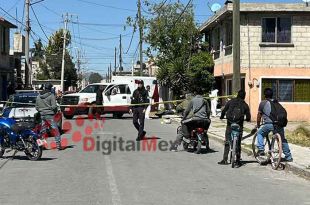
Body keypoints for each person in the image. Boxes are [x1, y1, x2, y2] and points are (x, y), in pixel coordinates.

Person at [256, 88, 293, 162]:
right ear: (272, 94)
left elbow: (259, 116)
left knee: (259, 133)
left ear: (264, 95)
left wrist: (258, 125)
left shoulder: (263, 103)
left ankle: (261, 149)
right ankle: (288, 157)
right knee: (282, 139)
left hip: (269, 124)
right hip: (279, 124)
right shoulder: (276, 102)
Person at [218, 90, 251, 167]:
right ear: (244, 96)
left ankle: (224, 159)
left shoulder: (230, 102)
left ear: (237, 95)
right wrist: (247, 119)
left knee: (227, 141)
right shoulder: (245, 104)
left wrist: (222, 117)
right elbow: (248, 116)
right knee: (238, 143)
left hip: (230, 123)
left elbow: (224, 110)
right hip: (239, 124)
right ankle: (238, 160)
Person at [35, 82, 62, 150]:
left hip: (42, 115)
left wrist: (41, 111)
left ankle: (41, 145)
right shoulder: (51, 95)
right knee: (55, 129)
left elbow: (36, 107)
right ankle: (58, 145)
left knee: (42, 130)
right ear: (50, 88)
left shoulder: (38, 96)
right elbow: (54, 106)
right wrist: (54, 112)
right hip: (50, 115)